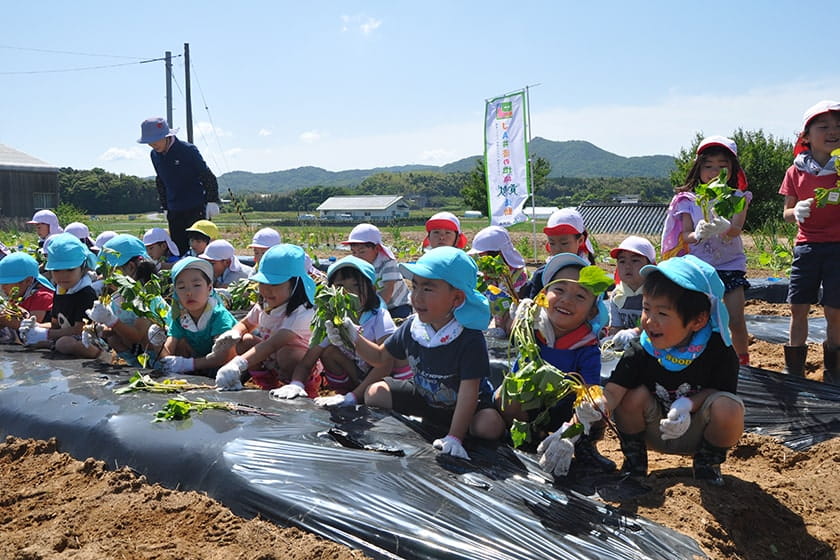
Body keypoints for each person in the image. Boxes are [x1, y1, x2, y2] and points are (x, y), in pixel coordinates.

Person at [560, 255, 743, 486]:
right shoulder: (641, 349)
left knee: (728, 407)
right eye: (646, 309)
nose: (649, 321)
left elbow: (721, 391)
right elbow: (613, 393)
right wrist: (575, 425)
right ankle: (635, 464)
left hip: (698, 432)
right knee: (631, 397)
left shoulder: (718, 350)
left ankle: (707, 464)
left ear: (698, 320)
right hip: (654, 430)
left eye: (662, 314)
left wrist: (688, 405)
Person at [328, 246, 506, 460]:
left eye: (428, 289)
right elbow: (380, 357)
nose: (416, 297)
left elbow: (469, 392)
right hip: (425, 398)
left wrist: (455, 437)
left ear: (457, 299)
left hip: (467, 405)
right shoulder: (412, 327)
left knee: (489, 426)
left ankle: (458, 430)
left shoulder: (469, 337)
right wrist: (354, 337)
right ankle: (438, 424)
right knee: (376, 393)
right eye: (415, 286)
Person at [498, 253, 614, 474]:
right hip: (533, 405)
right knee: (504, 396)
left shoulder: (587, 347)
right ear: (543, 295)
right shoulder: (531, 331)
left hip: (566, 412)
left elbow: (590, 391)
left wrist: (572, 428)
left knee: (596, 406)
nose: (567, 300)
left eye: (580, 296)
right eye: (559, 290)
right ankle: (527, 437)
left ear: (593, 311)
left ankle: (582, 446)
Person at [661, 135, 752, 366]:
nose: (714, 172)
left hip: (730, 266)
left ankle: (743, 363)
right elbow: (686, 235)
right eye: (708, 166)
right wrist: (699, 234)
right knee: (697, 319)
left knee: (735, 319)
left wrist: (726, 227)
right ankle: (698, 361)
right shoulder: (687, 200)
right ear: (698, 168)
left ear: (732, 170)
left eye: (722, 166)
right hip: (700, 269)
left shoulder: (738, 198)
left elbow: (737, 229)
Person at [271, 256, 410, 405]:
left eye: (356, 285)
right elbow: (307, 362)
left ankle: (357, 396)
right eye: (340, 286)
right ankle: (349, 393)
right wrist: (296, 383)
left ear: (371, 289)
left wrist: (354, 337)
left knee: (396, 354)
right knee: (328, 352)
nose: (349, 292)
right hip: (359, 374)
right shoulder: (329, 320)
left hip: (385, 377)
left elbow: (384, 363)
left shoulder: (378, 316)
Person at [780, 100, 840, 383]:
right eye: (824, 126)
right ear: (806, 135)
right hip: (806, 246)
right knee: (798, 307)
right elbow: (786, 213)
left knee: (835, 309)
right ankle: (794, 368)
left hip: (838, 246)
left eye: (838, 126)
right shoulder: (796, 171)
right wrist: (797, 211)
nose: (833, 131)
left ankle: (834, 369)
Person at [213, 244, 319, 392]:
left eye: (275, 284)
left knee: (287, 354)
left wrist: (238, 364)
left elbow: (272, 344)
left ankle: (303, 390)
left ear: (295, 285)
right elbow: (246, 324)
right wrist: (235, 332)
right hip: (272, 357)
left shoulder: (302, 313)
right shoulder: (265, 305)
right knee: (245, 341)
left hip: (299, 364)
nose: (267, 290)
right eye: (263, 283)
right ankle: (267, 385)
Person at [138, 117, 222, 257]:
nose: (153, 145)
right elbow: (161, 181)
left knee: (199, 247)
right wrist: (165, 206)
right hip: (174, 209)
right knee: (178, 247)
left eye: (156, 140)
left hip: (195, 207)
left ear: (166, 136)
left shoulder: (187, 150)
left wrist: (212, 200)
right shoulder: (154, 155)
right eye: (149, 142)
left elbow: (206, 174)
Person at [83, 235, 169, 366]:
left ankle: (152, 366)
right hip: (138, 351)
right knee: (112, 337)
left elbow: (138, 335)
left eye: (110, 272)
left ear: (131, 267)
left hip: (158, 353)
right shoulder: (117, 297)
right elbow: (116, 329)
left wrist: (111, 321)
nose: (105, 278)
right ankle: (132, 364)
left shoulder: (146, 297)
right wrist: (97, 330)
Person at [17, 233, 97, 353]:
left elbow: (79, 329)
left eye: (70, 270)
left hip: (88, 340)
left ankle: (102, 355)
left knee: (64, 343)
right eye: (56, 270)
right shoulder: (60, 290)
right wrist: (35, 327)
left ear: (83, 267)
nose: (62, 276)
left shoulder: (85, 294)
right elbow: (55, 325)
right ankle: (50, 344)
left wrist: (46, 334)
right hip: (63, 337)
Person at [157, 257, 238, 376]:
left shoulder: (218, 315)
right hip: (203, 362)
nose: (189, 292)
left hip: (226, 366)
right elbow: (167, 355)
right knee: (181, 344)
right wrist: (157, 344)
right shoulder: (180, 317)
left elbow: (222, 356)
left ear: (209, 288)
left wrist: (187, 364)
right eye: (181, 288)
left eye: (196, 285)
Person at [520, 207, 595, 299]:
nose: (558, 249)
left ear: (580, 240)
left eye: (564, 243)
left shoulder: (591, 274)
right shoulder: (541, 275)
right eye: (552, 243)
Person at [342, 223, 412, 319]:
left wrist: (375, 311)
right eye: (354, 252)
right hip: (374, 302)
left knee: (397, 326)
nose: (357, 256)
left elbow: (388, 289)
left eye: (362, 252)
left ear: (377, 248)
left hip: (397, 305)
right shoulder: (357, 264)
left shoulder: (387, 261)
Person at [468, 225, 527, 335]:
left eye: (483, 255)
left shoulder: (518, 275)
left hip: (513, 327)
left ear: (498, 254)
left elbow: (518, 304)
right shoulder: (487, 276)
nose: (480, 259)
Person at [606, 236, 657, 348]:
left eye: (635, 260)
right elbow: (616, 326)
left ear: (650, 265)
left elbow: (657, 326)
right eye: (622, 261)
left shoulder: (655, 293)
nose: (627, 266)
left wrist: (634, 333)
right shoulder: (617, 295)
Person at [0, 252, 55, 342]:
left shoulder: (42, 296)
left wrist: (9, 322)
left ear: (28, 281)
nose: (3, 288)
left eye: (6, 284)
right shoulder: (21, 294)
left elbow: (33, 328)